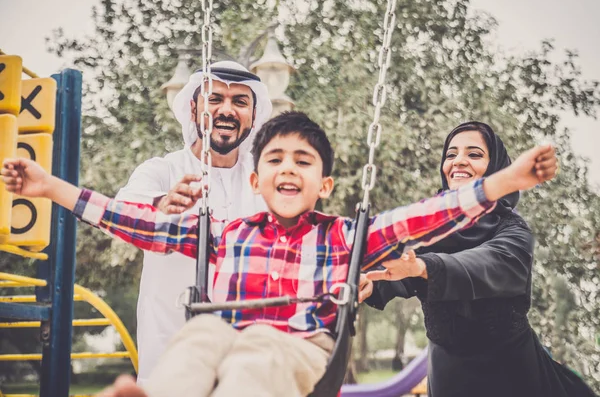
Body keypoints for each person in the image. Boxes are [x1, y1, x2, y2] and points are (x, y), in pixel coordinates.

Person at [1, 113, 558, 397]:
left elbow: (427, 216)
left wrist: (506, 179)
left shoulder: (344, 235)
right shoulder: (224, 231)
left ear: (325, 185)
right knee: (199, 339)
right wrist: (52, 187)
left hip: (302, 349)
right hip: (228, 332)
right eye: (275, 159)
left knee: (256, 353)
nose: (288, 167)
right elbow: (137, 223)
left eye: (303, 161)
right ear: (256, 178)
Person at [360, 121, 597, 397]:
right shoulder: (428, 229)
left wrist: (424, 267)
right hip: (448, 378)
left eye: (474, 154)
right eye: (451, 154)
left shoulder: (513, 230)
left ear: (495, 166)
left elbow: (491, 264)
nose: (458, 161)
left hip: (513, 378)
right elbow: (390, 266)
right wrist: (366, 281)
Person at [115, 61, 271, 384]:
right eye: (215, 99)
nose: (226, 110)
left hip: (245, 363)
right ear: (193, 107)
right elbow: (121, 210)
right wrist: (160, 204)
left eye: (240, 102)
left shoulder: (265, 181)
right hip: (169, 354)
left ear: (253, 116)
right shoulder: (163, 171)